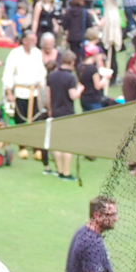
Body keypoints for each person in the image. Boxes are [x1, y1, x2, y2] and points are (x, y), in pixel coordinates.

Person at [1, 31, 46, 156]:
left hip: (34, 92)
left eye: (34, 40)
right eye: (31, 40)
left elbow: (41, 71)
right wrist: (9, 91)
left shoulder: (37, 53)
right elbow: (8, 73)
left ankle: (36, 148)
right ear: (24, 40)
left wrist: (41, 85)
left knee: (36, 121)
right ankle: (22, 147)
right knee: (20, 121)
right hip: (20, 92)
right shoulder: (15, 54)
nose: (33, 42)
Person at [45, 50, 81, 180]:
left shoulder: (52, 76)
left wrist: (50, 109)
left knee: (56, 142)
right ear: (72, 63)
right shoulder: (71, 77)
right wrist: (80, 89)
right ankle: (66, 172)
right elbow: (73, 95)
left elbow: (48, 95)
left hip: (55, 111)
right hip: (67, 112)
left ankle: (59, 170)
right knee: (67, 144)